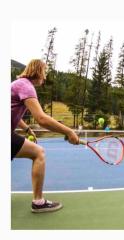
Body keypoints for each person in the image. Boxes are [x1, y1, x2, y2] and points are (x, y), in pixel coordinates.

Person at [11, 59, 79, 213]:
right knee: (38, 153)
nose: (45, 77)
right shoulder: (26, 86)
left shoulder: (19, 84)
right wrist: (69, 131)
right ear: (38, 71)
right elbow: (41, 118)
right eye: (44, 72)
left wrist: (27, 128)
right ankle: (38, 202)